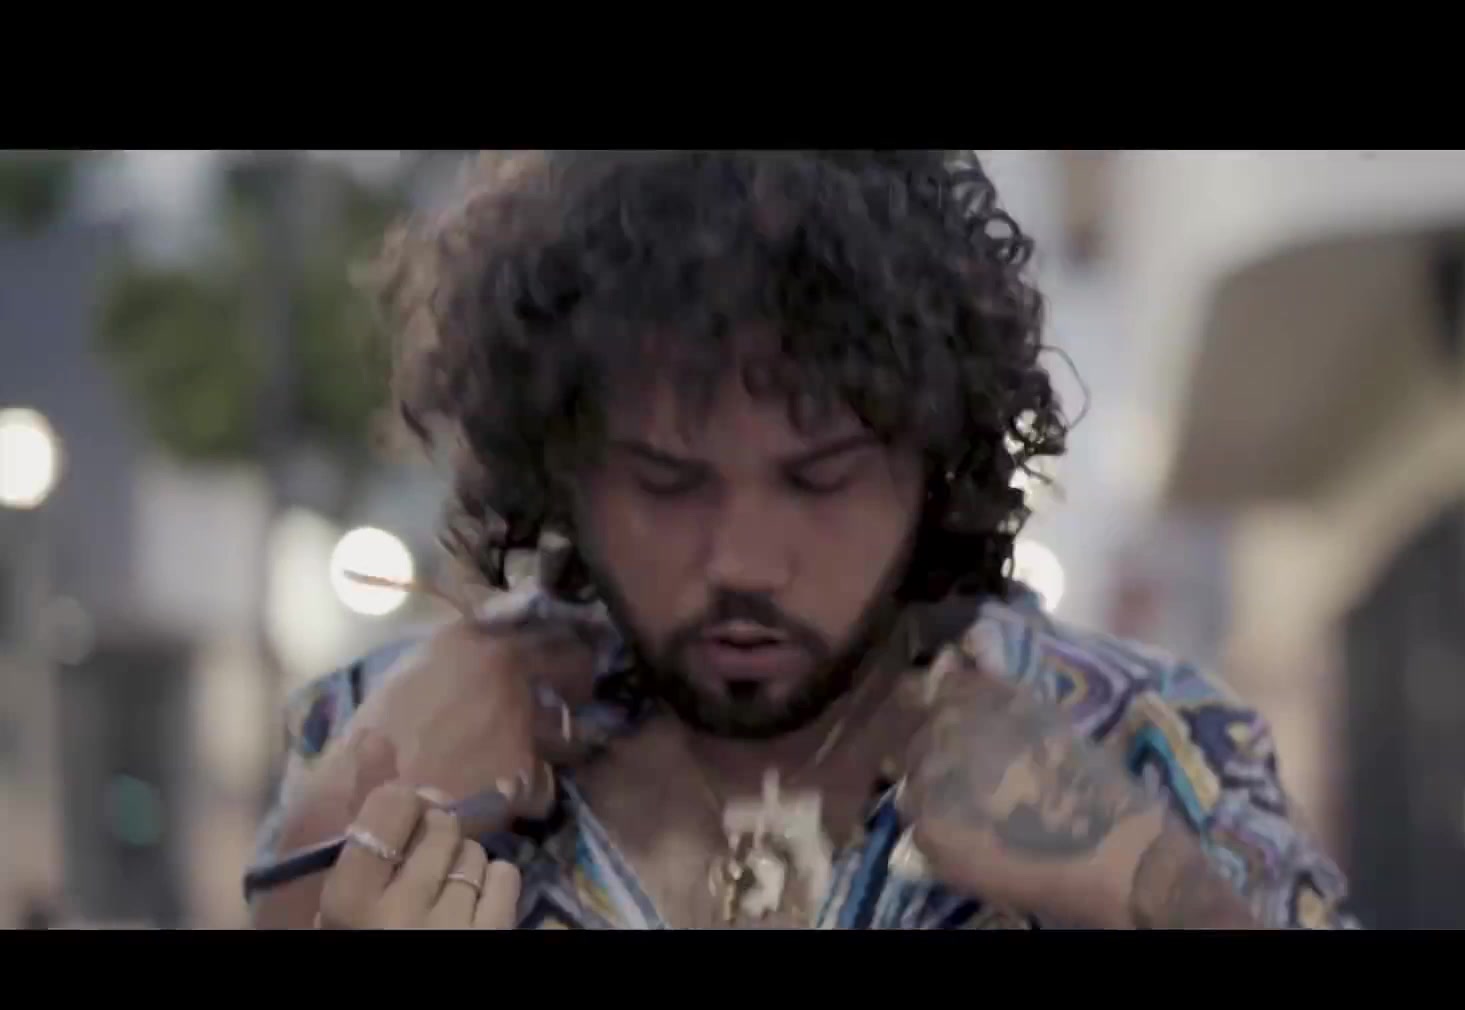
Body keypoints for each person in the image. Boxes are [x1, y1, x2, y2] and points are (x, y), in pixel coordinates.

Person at [246, 150, 1356, 931]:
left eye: (822, 479)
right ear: (561, 471)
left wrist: (1145, 882)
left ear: (935, 462)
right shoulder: (389, 737)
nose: (743, 561)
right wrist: (319, 857)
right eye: (667, 483)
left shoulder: (1152, 741)